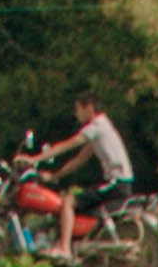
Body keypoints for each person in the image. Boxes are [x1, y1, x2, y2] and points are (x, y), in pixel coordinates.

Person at [32, 83, 136, 253]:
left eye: (78, 109)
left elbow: (68, 145)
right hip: (119, 184)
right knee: (72, 197)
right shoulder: (102, 128)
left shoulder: (96, 126)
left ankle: (64, 249)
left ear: (89, 108)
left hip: (117, 184)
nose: (76, 114)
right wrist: (55, 176)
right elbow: (79, 159)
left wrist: (33, 159)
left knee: (68, 201)